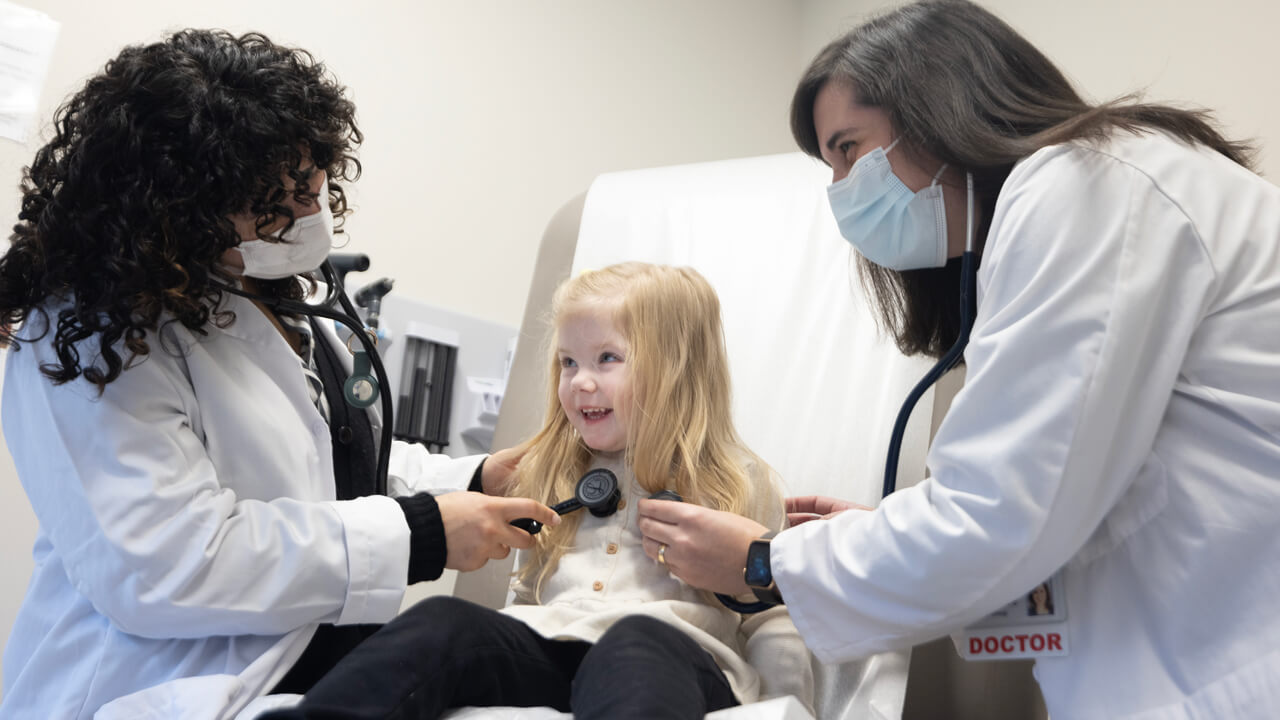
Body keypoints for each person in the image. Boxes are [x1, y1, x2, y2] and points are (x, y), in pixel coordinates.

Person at [637, 1, 1280, 717]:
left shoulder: (1087, 186)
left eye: (849, 148)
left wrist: (766, 563)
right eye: (830, 166)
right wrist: (885, 535)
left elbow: (1000, 518)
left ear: (937, 105)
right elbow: (1053, 512)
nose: (841, 191)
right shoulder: (1081, 201)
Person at [0, 30, 558, 720]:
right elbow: (168, 564)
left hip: (305, 679)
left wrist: (472, 483)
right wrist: (420, 534)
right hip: (151, 691)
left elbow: (326, 469)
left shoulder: (270, 293)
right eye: (275, 199)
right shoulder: (92, 334)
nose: (306, 213)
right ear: (180, 210)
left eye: (311, 184)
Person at [265, 263, 814, 719]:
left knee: (634, 641)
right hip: (557, 644)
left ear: (677, 369)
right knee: (445, 624)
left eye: (608, 359)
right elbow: (530, 597)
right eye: (568, 362)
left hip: (678, 663)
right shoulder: (556, 471)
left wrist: (788, 703)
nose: (580, 382)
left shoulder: (736, 480)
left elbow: (773, 618)